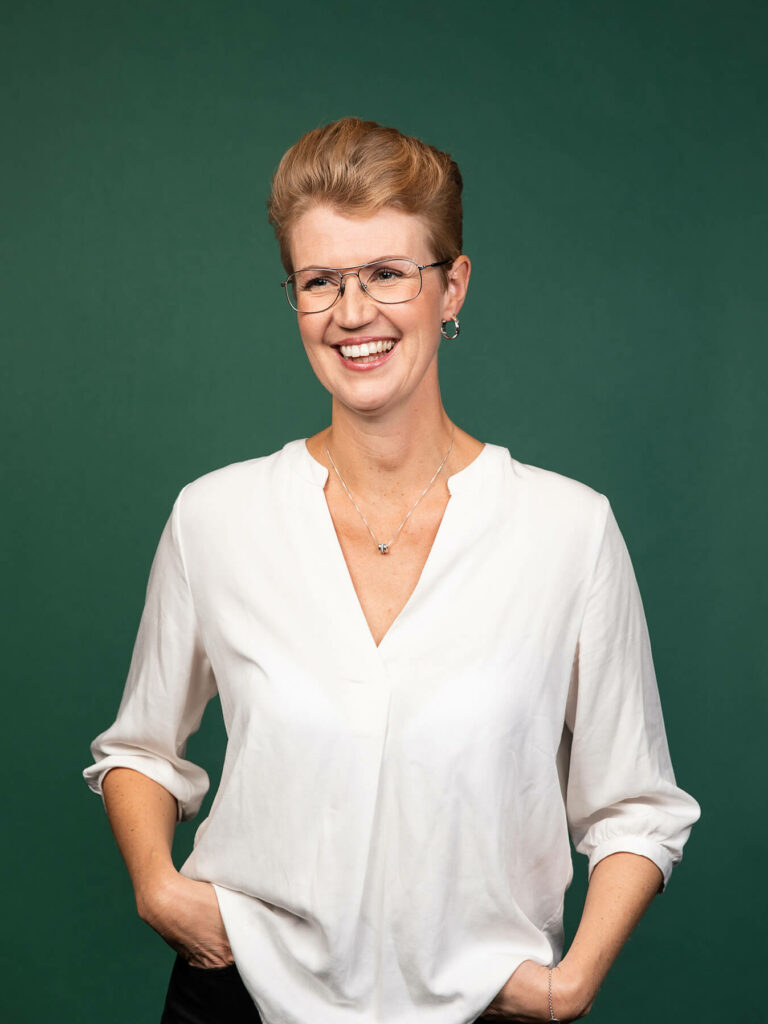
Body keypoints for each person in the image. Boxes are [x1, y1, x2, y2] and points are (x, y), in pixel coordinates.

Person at [83, 116, 701, 1024]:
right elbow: (141, 748)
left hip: (482, 1008)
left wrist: (568, 987)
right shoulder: (216, 517)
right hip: (239, 996)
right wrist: (157, 888)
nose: (352, 313)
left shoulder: (568, 531)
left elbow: (636, 806)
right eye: (320, 281)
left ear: (452, 287)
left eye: (386, 273)